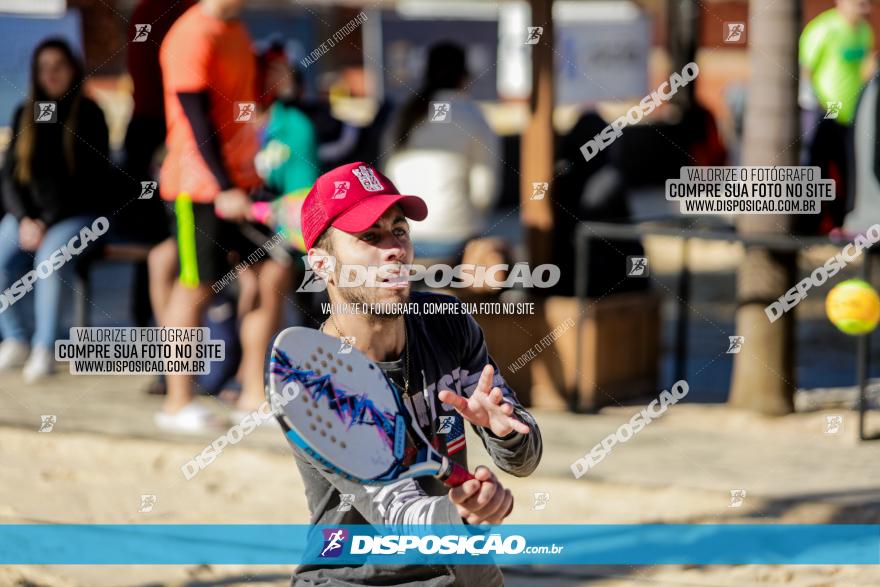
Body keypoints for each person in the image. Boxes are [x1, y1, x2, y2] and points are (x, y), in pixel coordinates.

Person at [291, 161, 542, 586]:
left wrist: (506, 433)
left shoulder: (445, 321)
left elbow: (525, 458)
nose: (394, 248)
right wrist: (465, 510)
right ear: (321, 264)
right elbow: (402, 516)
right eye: (369, 237)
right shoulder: (315, 376)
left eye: (399, 231)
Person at [155, 0, 290, 431]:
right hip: (199, 185)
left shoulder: (236, 30)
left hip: (242, 181)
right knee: (194, 286)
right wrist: (224, 184)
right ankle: (177, 403)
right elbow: (194, 117)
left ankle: (252, 394)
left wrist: (272, 79)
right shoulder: (192, 33)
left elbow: (243, 106)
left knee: (271, 275)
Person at [0, 38, 110, 382]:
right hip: (30, 217)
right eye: (43, 67)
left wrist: (44, 222)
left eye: (58, 66)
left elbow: (90, 183)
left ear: (72, 68)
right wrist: (22, 218)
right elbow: (9, 177)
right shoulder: (25, 112)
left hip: (79, 216)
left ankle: (44, 346)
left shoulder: (89, 114)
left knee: (49, 259)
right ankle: (16, 337)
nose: (50, 74)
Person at [380, 41, 501, 260]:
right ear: (465, 74)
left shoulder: (403, 114)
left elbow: (387, 175)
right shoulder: (474, 116)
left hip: (402, 235)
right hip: (456, 239)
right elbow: (484, 191)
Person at [799, 0, 875, 234]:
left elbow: (864, 69)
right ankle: (809, 227)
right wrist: (817, 104)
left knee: (847, 170)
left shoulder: (864, 31)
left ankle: (839, 224)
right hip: (821, 113)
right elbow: (805, 69)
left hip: (850, 116)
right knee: (815, 169)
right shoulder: (823, 29)